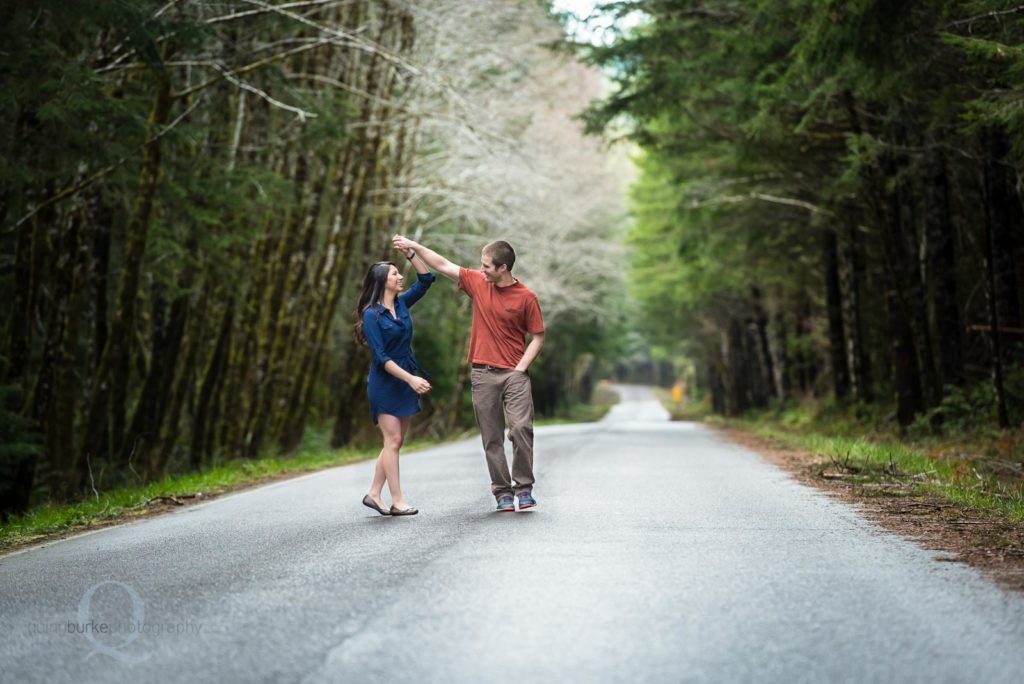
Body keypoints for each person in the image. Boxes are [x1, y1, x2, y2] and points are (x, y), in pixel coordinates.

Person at [392, 234, 545, 512]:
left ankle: (524, 488)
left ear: (503, 268)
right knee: (491, 436)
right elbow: (443, 264)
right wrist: (414, 247)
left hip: (514, 373)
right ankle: (502, 492)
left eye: (487, 266)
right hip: (482, 373)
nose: (482, 269)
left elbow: (537, 337)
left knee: (521, 428)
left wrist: (521, 368)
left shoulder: (526, 297)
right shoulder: (477, 283)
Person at [352, 249, 435, 516]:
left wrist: (411, 252)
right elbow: (381, 357)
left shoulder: (401, 304)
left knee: (395, 443)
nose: (400, 277)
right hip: (386, 382)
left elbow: (426, 280)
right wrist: (411, 379)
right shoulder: (371, 315)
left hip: (407, 378)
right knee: (393, 439)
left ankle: (374, 493)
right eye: (395, 274)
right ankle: (398, 501)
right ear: (382, 281)